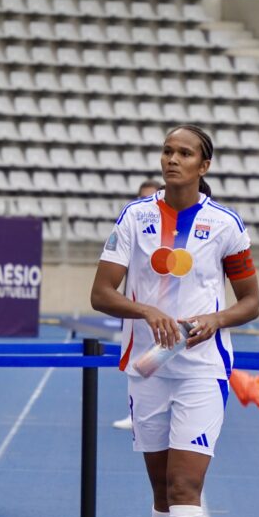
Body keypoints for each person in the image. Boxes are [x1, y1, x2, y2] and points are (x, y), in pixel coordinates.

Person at [90, 125, 259, 517]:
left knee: (185, 485)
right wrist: (147, 311)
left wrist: (216, 319)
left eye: (184, 153)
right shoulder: (134, 217)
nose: (172, 159)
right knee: (162, 491)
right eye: (167, 151)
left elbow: (252, 302)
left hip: (202, 370)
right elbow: (101, 293)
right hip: (147, 368)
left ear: (204, 166)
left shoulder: (226, 225)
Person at [112, 179, 165, 432]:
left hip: (165, 308)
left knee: (163, 358)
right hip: (137, 303)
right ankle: (137, 411)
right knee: (138, 356)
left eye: (151, 197)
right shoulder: (132, 224)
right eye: (141, 198)